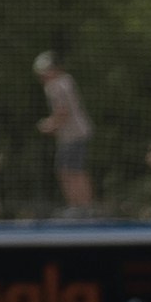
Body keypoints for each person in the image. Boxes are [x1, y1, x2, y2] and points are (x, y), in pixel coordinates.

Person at [42, 52, 99, 216]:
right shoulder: (66, 80)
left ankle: (81, 207)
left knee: (69, 170)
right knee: (72, 169)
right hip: (76, 134)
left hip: (73, 135)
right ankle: (82, 206)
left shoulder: (55, 86)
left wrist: (49, 125)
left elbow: (62, 112)